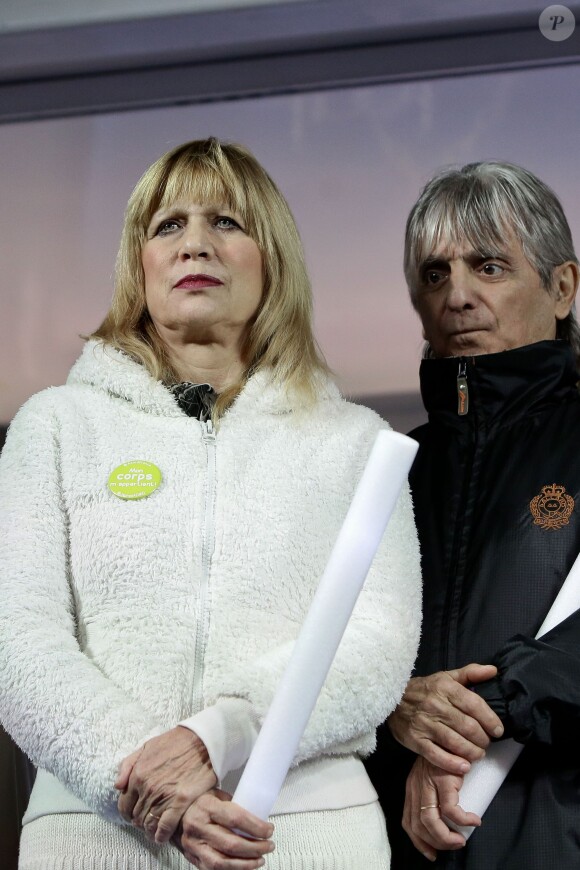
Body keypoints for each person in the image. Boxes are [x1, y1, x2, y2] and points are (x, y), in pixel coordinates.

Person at [0, 137, 422, 870]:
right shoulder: (57, 426)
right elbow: (18, 642)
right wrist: (146, 780)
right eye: (168, 225)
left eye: (227, 222)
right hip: (95, 837)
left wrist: (218, 736)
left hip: (306, 840)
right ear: (139, 265)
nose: (195, 243)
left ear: (273, 259)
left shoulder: (354, 442)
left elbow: (377, 644)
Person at [365, 160, 580, 869]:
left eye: (489, 267)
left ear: (562, 288)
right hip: (399, 848)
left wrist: (485, 709)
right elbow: (320, 656)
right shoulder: (384, 473)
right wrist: (395, 703)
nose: (457, 297)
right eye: (435, 274)